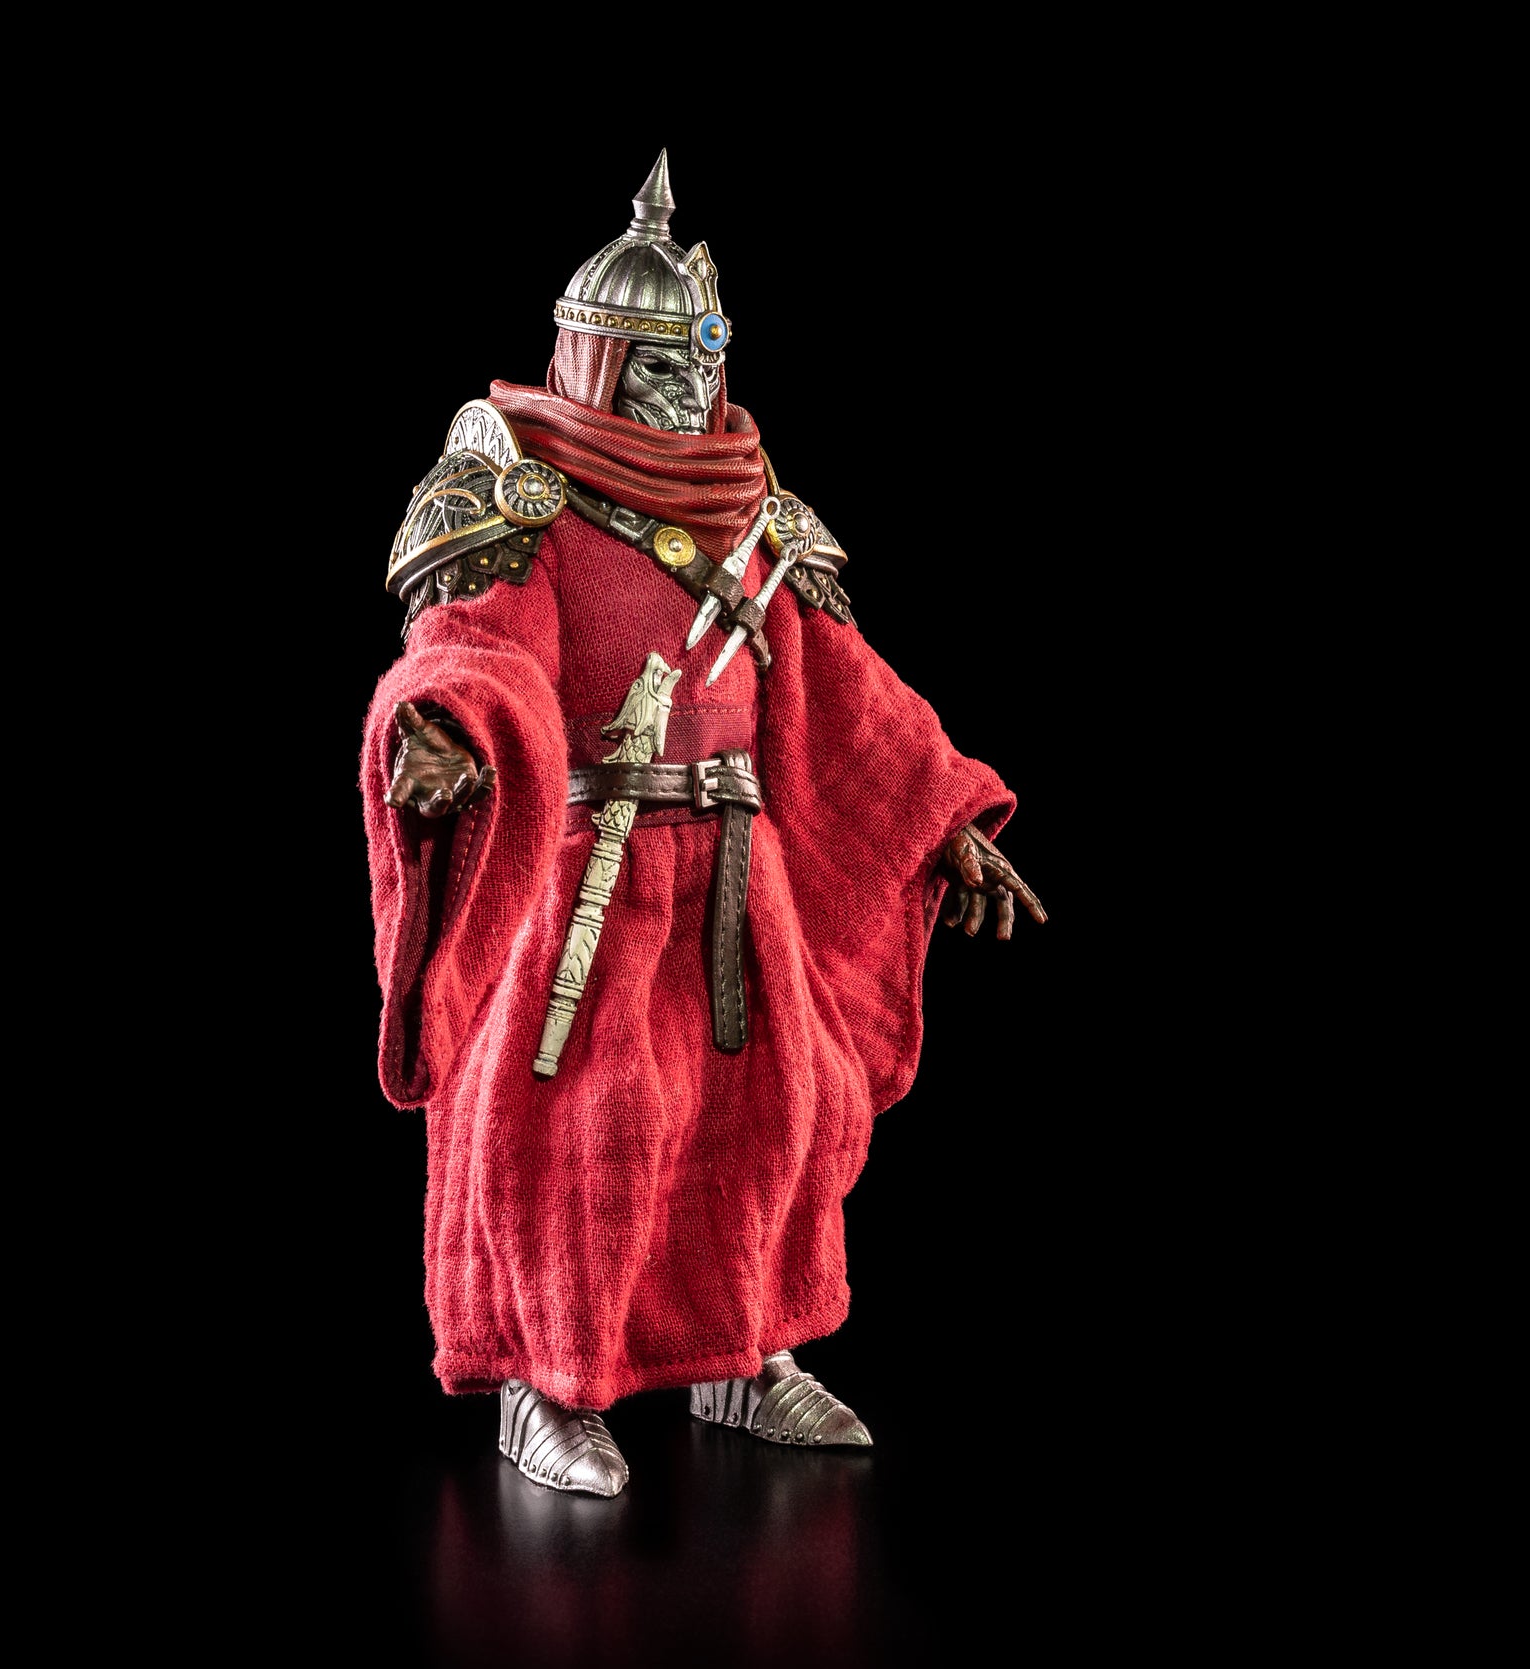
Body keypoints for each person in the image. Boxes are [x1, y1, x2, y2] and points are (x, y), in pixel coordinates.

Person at [361, 152, 1045, 1497]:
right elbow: (478, 649)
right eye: (660, 361)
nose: (688, 386)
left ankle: (743, 1353)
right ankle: (548, 1382)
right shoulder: (523, 503)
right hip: (589, 880)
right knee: (585, 1132)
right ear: (600, 361)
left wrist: (941, 820)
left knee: (770, 1113)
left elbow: (843, 696)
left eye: (704, 356)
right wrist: (444, 732)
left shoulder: (755, 516)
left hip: (739, 878)